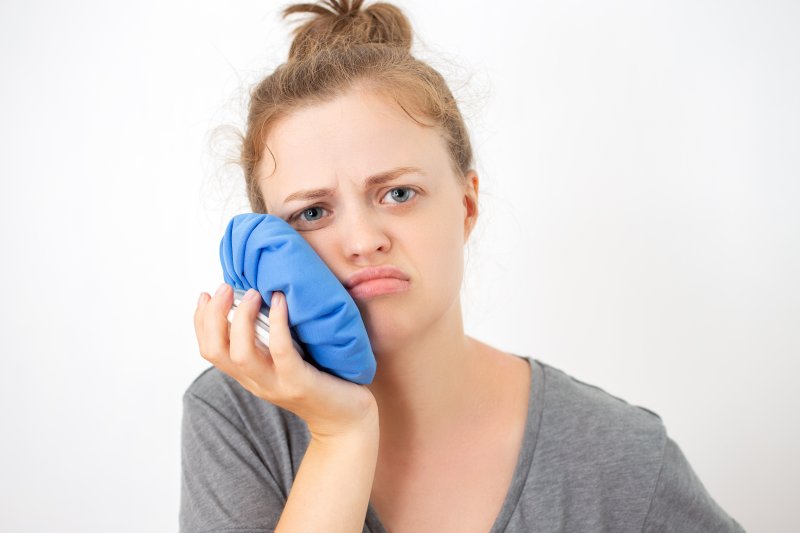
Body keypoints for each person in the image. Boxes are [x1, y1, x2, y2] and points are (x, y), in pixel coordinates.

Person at [182, 1, 745, 531]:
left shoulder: (619, 453)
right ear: (266, 247)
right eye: (312, 211)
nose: (363, 241)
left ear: (467, 205)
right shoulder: (236, 420)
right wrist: (340, 433)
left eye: (398, 193)